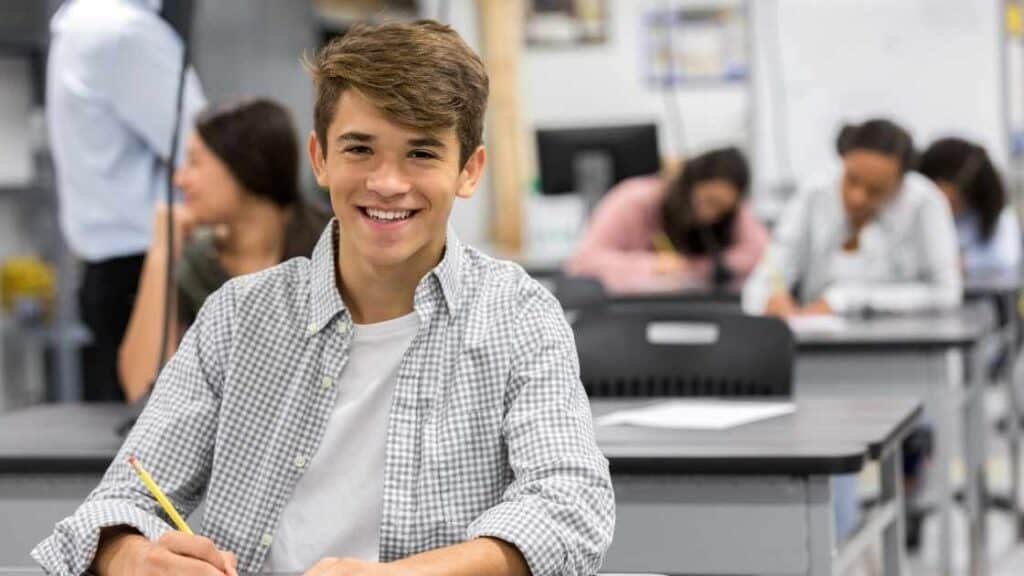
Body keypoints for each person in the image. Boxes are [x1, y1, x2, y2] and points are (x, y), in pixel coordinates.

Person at [34, 20, 614, 576]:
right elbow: (117, 503)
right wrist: (129, 555)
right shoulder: (238, 317)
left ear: (470, 170)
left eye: (421, 153)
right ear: (320, 158)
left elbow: (569, 507)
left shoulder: (517, 314)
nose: (387, 182)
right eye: (360, 149)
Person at [118, 99, 331, 404]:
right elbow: (142, 387)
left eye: (194, 162)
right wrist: (161, 256)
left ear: (244, 164)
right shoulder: (196, 263)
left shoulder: (334, 247)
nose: (179, 180)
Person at [47, 0, 207, 401]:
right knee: (161, 438)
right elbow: (203, 149)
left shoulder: (81, 22)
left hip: (111, 268)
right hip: (145, 265)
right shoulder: (125, 32)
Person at [743, 118, 962, 317]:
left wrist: (847, 300)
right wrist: (769, 301)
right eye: (851, 180)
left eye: (876, 190)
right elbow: (770, 272)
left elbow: (947, 293)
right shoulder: (814, 194)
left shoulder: (926, 203)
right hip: (817, 338)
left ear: (901, 183)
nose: (857, 198)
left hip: (904, 345)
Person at [566, 147, 768, 293]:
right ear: (689, 185)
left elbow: (765, 255)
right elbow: (583, 262)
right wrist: (653, 266)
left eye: (722, 209)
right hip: (632, 316)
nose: (710, 216)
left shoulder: (732, 212)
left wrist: (698, 266)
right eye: (708, 201)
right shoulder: (634, 200)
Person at [919, 137, 1021, 276]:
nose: (945, 207)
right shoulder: (918, 212)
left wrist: (958, 264)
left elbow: (1005, 257)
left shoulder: (999, 218)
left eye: (953, 201)